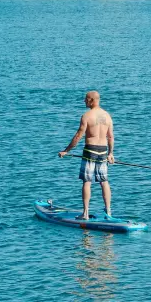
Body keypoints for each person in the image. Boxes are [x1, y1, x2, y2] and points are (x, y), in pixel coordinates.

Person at [58, 91, 116, 220]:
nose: (84, 101)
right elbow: (110, 136)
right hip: (103, 151)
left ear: (91, 100)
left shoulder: (87, 116)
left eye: (86, 99)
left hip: (90, 150)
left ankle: (85, 213)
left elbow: (79, 135)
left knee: (87, 182)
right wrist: (111, 153)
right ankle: (109, 212)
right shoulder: (107, 116)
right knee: (104, 181)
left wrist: (66, 150)